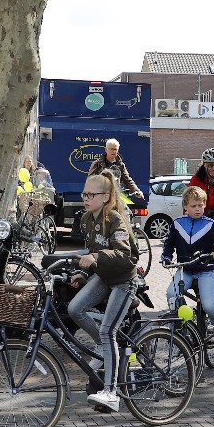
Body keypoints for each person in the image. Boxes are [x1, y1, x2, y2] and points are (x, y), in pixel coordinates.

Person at [65, 171, 140, 412]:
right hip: (104, 277)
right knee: (75, 309)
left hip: (124, 280)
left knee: (109, 331)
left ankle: (111, 393)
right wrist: (83, 274)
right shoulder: (86, 219)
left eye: (91, 194)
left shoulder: (115, 218)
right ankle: (102, 345)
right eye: (84, 194)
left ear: (105, 197)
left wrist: (95, 257)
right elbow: (92, 253)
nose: (85, 198)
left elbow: (124, 255)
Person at [159, 186, 214, 348]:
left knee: (209, 305)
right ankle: (184, 327)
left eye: (200, 205)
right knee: (171, 294)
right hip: (185, 269)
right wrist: (166, 257)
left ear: (204, 205)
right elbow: (168, 244)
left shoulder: (210, 224)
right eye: (193, 206)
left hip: (206, 270)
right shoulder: (177, 224)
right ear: (185, 206)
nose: (197, 209)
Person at [87, 138, 145, 205]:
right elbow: (90, 181)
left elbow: (128, 180)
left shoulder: (120, 165)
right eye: (111, 149)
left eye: (115, 149)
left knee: (128, 209)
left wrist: (136, 190)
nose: (113, 151)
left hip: (116, 196)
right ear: (106, 149)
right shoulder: (97, 164)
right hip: (101, 197)